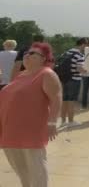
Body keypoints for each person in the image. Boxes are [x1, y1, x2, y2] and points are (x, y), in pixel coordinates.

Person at [0, 42, 62, 187]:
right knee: (21, 171)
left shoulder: (46, 74)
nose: (27, 55)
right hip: (9, 130)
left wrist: (52, 123)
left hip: (30, 130)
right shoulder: (21, 75)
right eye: (27, 53)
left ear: (44, 58)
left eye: (33, 53)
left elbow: (56, 98)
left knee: (36, 170)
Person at [60, 38, 87, 128]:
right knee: (72, 101)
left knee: (65, 100)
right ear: (82, 44)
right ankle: (71, 121)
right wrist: (86, 71)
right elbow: (79, 68)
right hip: (74, 79)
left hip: (64, 79)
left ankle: (63, 121)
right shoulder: (79, 55)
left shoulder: (67, 52)